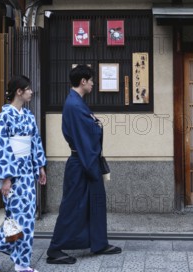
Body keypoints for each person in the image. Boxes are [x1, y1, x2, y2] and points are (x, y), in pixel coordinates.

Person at [46, 65, 121, 265]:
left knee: (96, 202)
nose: (93, 84)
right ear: (83, 81)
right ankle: (54, 249)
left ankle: (99, 243)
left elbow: (88, 132)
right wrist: (97, 127)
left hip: (86, 160)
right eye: (92, 80)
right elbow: (85, 137)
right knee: (72, 206)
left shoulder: (76, 103)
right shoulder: (74, 105)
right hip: (82, 163)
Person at [0, 75, 47, 272]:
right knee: (18, 220)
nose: (31, 92)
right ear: (19, 92)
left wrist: (40, 166)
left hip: (27, 174)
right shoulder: (5, 117)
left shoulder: (29, 116)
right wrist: (6, 178)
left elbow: (35, 142)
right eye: (28, 89)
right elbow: (0, 147)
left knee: (26, 219)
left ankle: (20, 262)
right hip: (13, 176)